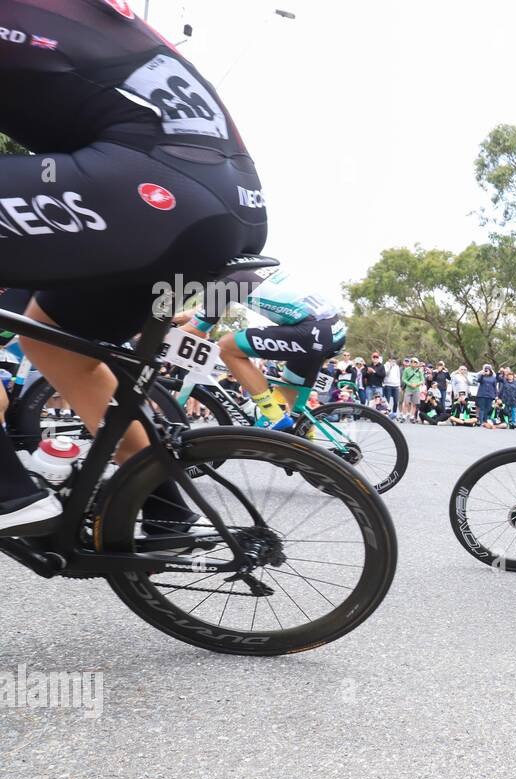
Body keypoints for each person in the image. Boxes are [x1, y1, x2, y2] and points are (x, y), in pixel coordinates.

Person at [0, 0, 267, 533]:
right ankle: (162, 506)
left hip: (154, 189)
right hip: (226, 204)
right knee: (51, 342)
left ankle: (10, 495)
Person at [175, 269, 346, 430]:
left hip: (312, 333)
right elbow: (202, 312)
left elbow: (197, 330)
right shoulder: (249, 269)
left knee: (226, 347)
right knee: (291, 397)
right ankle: (311, 449)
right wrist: (170, 319)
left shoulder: (226, 281)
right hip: (333, 329)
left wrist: (156, 337)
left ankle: (272, 416)